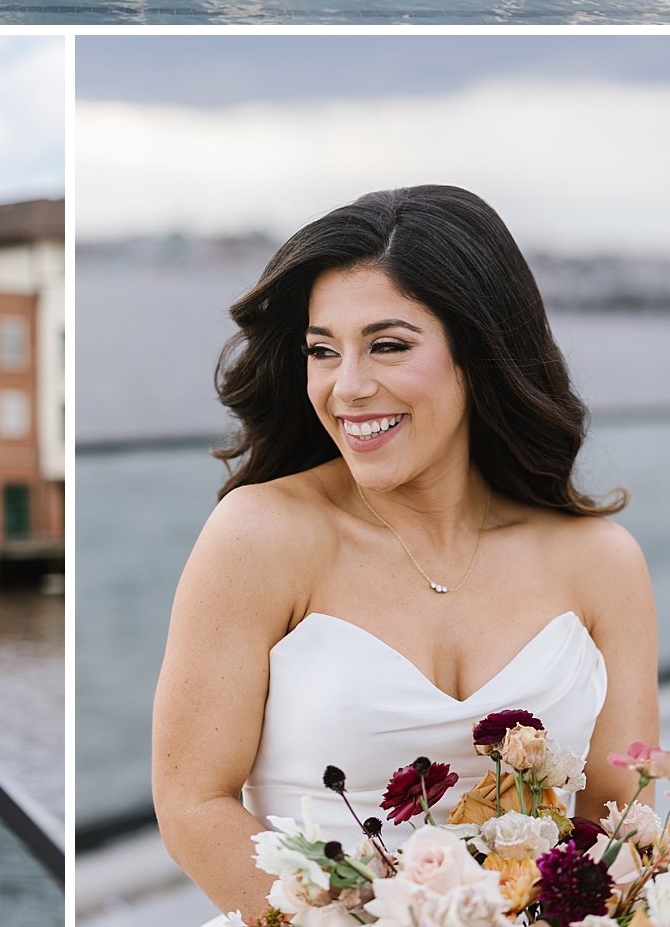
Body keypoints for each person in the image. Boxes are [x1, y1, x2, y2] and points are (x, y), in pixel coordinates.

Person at [151, 185, 658, 925]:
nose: (347, 388)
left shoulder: (601, 563)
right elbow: (192, 804)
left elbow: (621, 824)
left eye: (387, 345)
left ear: (477, 352)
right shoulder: (259, 535)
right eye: (322, 351)